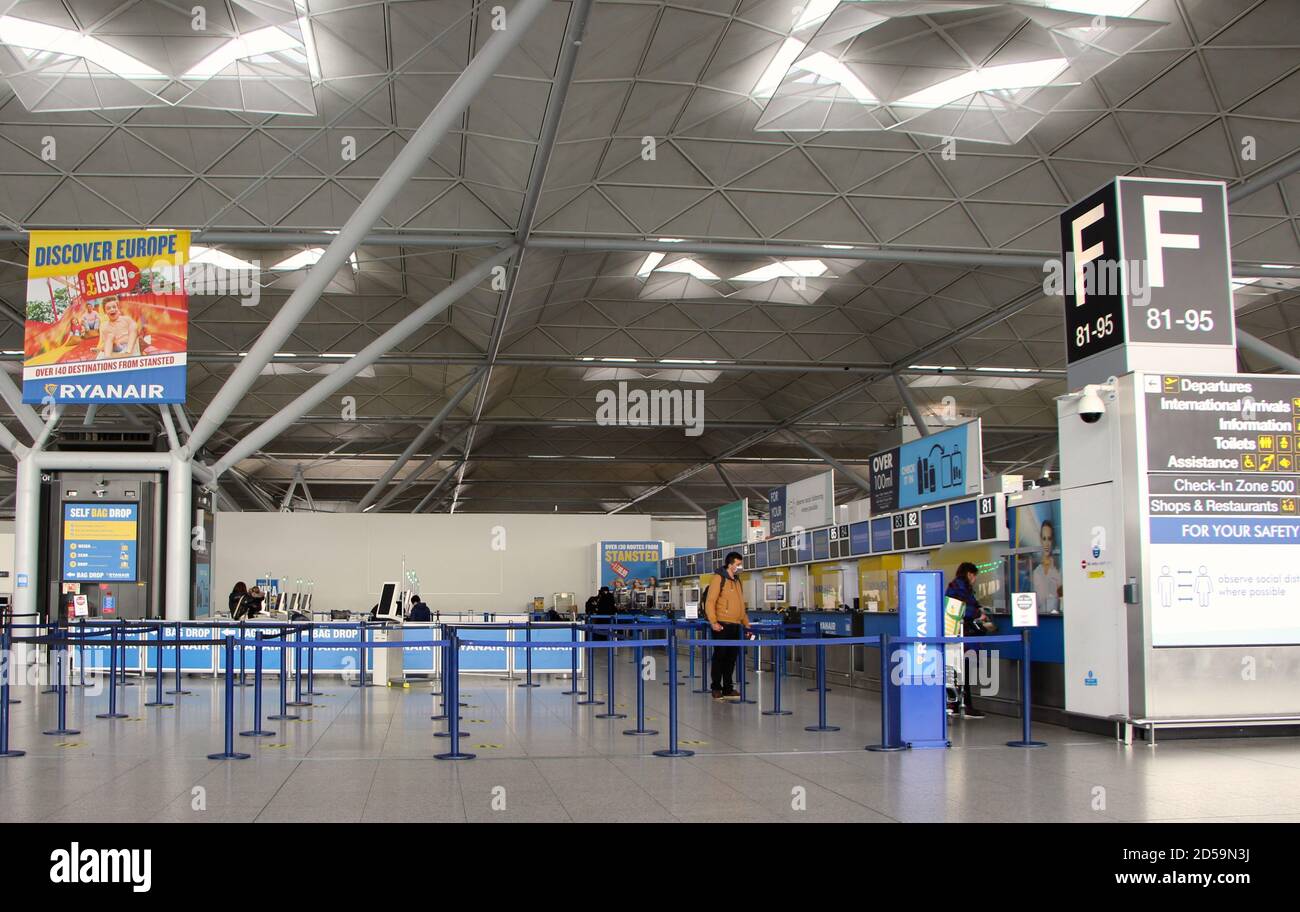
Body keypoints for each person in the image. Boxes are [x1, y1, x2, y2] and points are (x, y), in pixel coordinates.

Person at [705, 551, 752, 701]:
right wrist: (713, 621)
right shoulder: (718, 578)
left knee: (731, 658)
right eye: (738, 564)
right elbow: (710, 602)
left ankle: (728, 688)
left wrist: (746, 623)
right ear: (730, 564)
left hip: (736, 625)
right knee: (719, 657)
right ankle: (716, 688)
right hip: (722, 625)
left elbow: (740, 604)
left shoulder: (737, 581)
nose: (740, 567)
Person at [944, 562, 986, 719]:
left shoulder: (956, 587)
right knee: (964, 671)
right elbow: (961, 609)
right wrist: (977, 614)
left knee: (959, 671)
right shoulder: (960, 588)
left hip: (958, 636)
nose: (975, 580)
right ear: (969, 574)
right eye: (975, 576)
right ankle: (965, 706)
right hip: (962, 637)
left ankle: (955, 704)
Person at [1031, 519, 1063, 613]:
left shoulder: (1058, 571)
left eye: (1049, 539)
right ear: (1040, 540)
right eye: (1044, 538)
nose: (1046, 543)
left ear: (1052, 541)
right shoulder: (1036, 572)